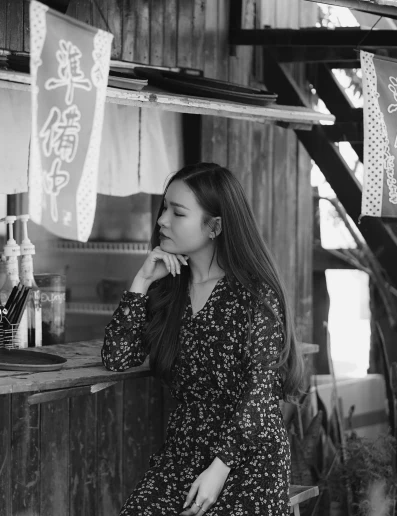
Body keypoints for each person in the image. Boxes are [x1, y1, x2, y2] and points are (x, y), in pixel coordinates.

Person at [101, 163, 306, 515]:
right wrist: (141, 282)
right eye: (164, 208)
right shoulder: (168, 290)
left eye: (177, 212)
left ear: (214, 226)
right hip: (182, 455)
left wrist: (220, 467)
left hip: (247, 459)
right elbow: (118, 358)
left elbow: (261, 392)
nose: (162, 220)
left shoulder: (255, 294)